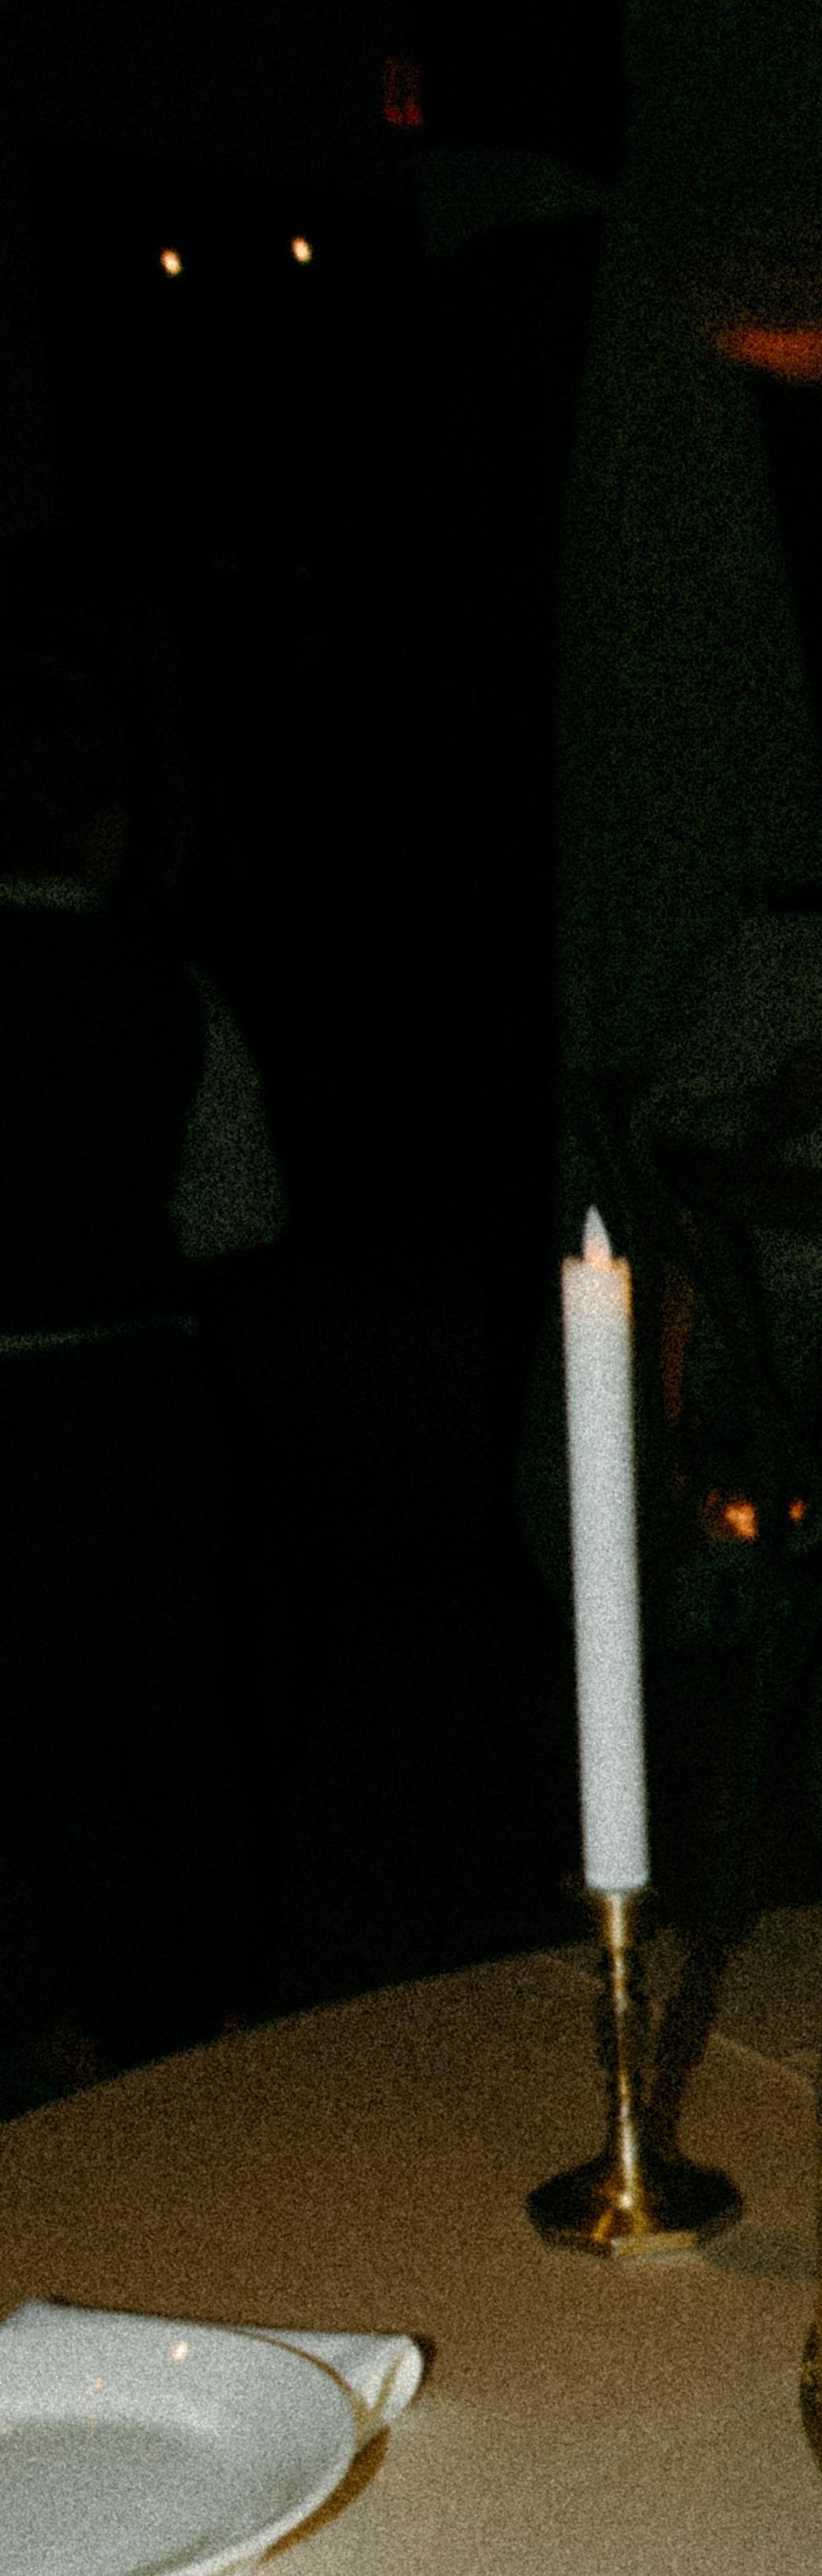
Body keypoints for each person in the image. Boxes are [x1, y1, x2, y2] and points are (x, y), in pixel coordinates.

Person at [0, 643, 283, 2090]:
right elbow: (242, 1211)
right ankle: (217, 2002)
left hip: (18, 1400)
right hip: (151, 1392)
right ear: (108, 826)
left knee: (53, 1725)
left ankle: (137, 2026)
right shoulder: (170, 991)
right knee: (176, 1703)